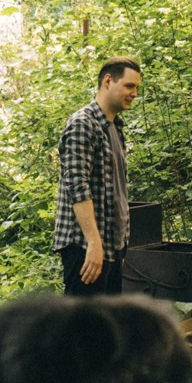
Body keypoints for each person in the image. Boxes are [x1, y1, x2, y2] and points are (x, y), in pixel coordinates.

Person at [54, 58, 140, 296]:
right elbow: (77, 187)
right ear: (108, 81)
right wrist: (93, 243)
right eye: (129, 86)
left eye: (136, 88)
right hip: (85, 248)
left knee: (106, 328)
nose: (134, 93)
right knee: (83, 328)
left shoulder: (115, 127)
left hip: (112, 246)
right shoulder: (83, 124)